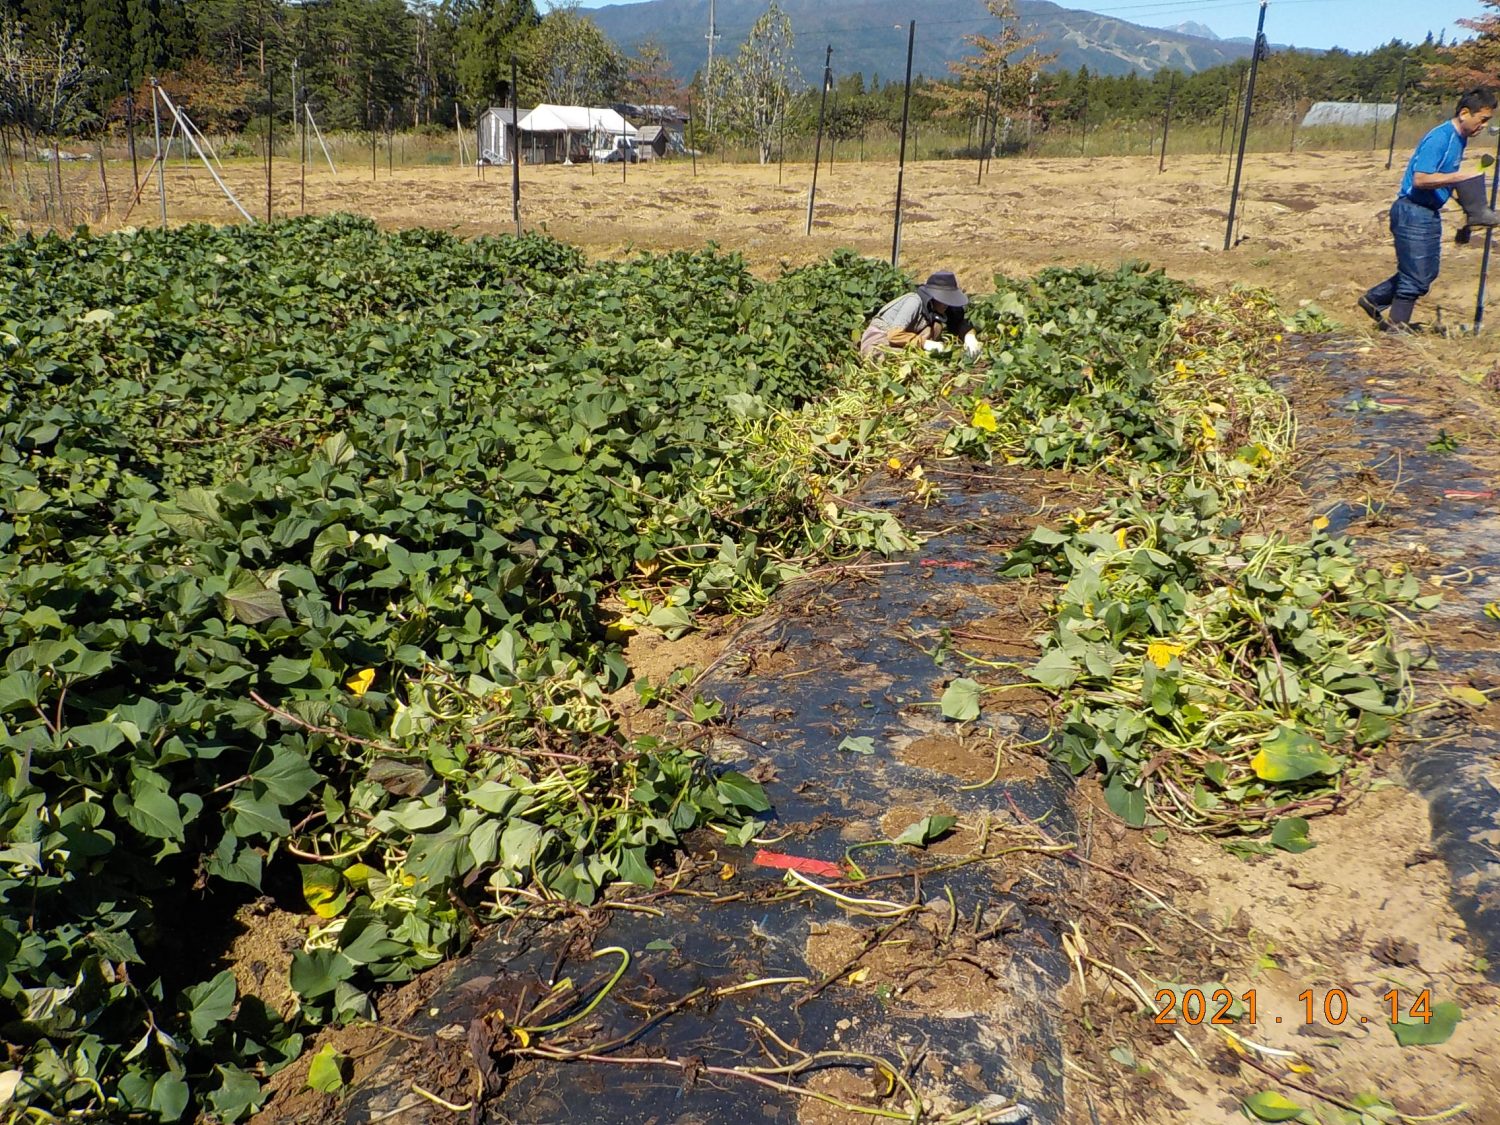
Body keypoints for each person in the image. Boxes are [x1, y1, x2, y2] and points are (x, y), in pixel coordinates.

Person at [1359, 88, 1500, 333]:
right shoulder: (1441, 138)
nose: (1484, 125)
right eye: (1483, 119)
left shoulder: (1459, 139)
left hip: (1428, 212)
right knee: (1415, 277)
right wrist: (1460, 176)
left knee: (1426, 273)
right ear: (1464, 113)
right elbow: (1421, 179)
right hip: (1412, 211)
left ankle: (1373, 300)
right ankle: (1395, 329)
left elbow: (1444, 181)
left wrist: (1470, 214)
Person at [860, 270, 982, 360]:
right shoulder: (914, 302)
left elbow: (960, 323)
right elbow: (894, 336)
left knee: (935, 327)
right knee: (901, 360)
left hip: (905, 343)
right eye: (943, 299)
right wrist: (925, 344)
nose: (946, 304)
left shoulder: (943, 307)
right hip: (880, 341)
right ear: (934, 297)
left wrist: (970, 337)